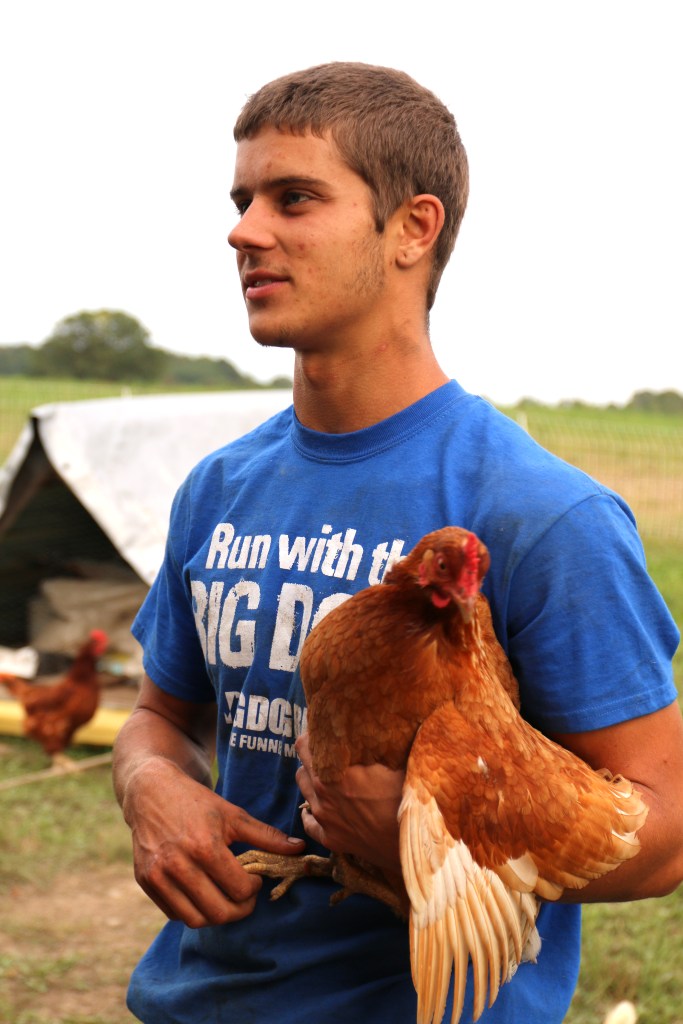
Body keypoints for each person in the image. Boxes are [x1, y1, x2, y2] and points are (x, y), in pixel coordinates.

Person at [113, 62, 683, 1024]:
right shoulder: (217, 487)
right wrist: (149, 785)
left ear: (414, 228)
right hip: (196, 1003)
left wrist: (453, 829)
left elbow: (664, 833)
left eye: (294, 198)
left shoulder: (541, 512)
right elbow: (158, 716)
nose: (244, 230)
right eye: (244, 199)